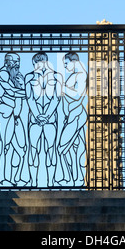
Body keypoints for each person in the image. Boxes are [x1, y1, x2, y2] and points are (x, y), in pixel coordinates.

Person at [25, 52, 63, 187]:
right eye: (37, 63)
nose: (40, 66)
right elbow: (29, 98)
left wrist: (46, 115)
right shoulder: (29, 78)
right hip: (35, 120)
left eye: (43, 62)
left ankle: (50, 182)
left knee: (51, 150)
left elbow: (56, 99)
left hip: (50, 119)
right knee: (33, 150)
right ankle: (33, 183)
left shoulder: (56, 78)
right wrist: (37, 115)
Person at [0, 53, 27, 186]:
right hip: (5, 114)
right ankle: (1, 178)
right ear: (7, 62)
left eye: (18, 61)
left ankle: (16, 177)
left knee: (21, 148)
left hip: (16, 116)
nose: (17, 64)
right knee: (3, 146)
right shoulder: (2, 74)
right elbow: (11, 92)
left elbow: (20, 94)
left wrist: (23, 87)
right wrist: (27, 92)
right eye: (15, 61)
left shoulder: (18, 76)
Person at [57, 52, 88, 186]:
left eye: (66, 63)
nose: (65, 66)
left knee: (61, 149)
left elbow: (78, 96)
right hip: (72, 115)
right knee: (76, 147)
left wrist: (62, 87)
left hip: (77, 115)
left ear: (74, 61)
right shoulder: (75, 75)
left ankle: (69, 178)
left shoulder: (81, 75)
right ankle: (77, 178)